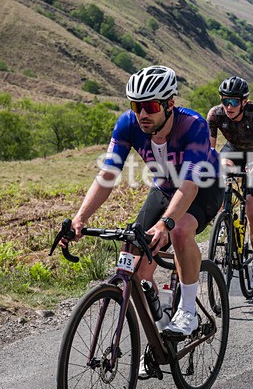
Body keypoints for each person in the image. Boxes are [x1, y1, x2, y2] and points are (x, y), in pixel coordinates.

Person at [68, 65, 222, 343]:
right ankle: (160, 328)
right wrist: (80, 218)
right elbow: (107, 176)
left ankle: (188, 311)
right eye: (136, 106)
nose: (142, 114)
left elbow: (189, 185)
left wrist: (165, 223)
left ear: (169, 104)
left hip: (204, 187)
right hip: (164, 187)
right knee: (134, 258)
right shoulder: (127, 124)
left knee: (179, 231)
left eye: (150, 107)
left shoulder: (193, 125)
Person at [207, 76, 253, 289]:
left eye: (234, 101)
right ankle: (224, 217)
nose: (229, 106)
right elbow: (210, 149)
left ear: (244, 101)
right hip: (233, 151)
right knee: (220, 171)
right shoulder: (215, 115)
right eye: (225, 101)